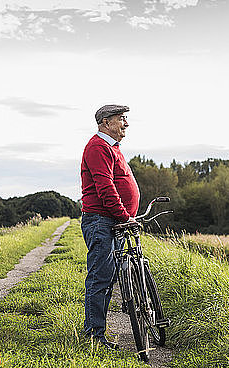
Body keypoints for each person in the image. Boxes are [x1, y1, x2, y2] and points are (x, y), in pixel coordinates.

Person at [80, 104, 140, 349]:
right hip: (101, 220)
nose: (125, 123)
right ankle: (94, 335)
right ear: (106, 122)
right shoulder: (97, 147)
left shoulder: (112, 148)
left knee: (107, 276)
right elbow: (106, 190)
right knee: (100, 277)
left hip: (111, 220)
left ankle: (96, 331)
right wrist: (125, 215)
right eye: (121, 119)